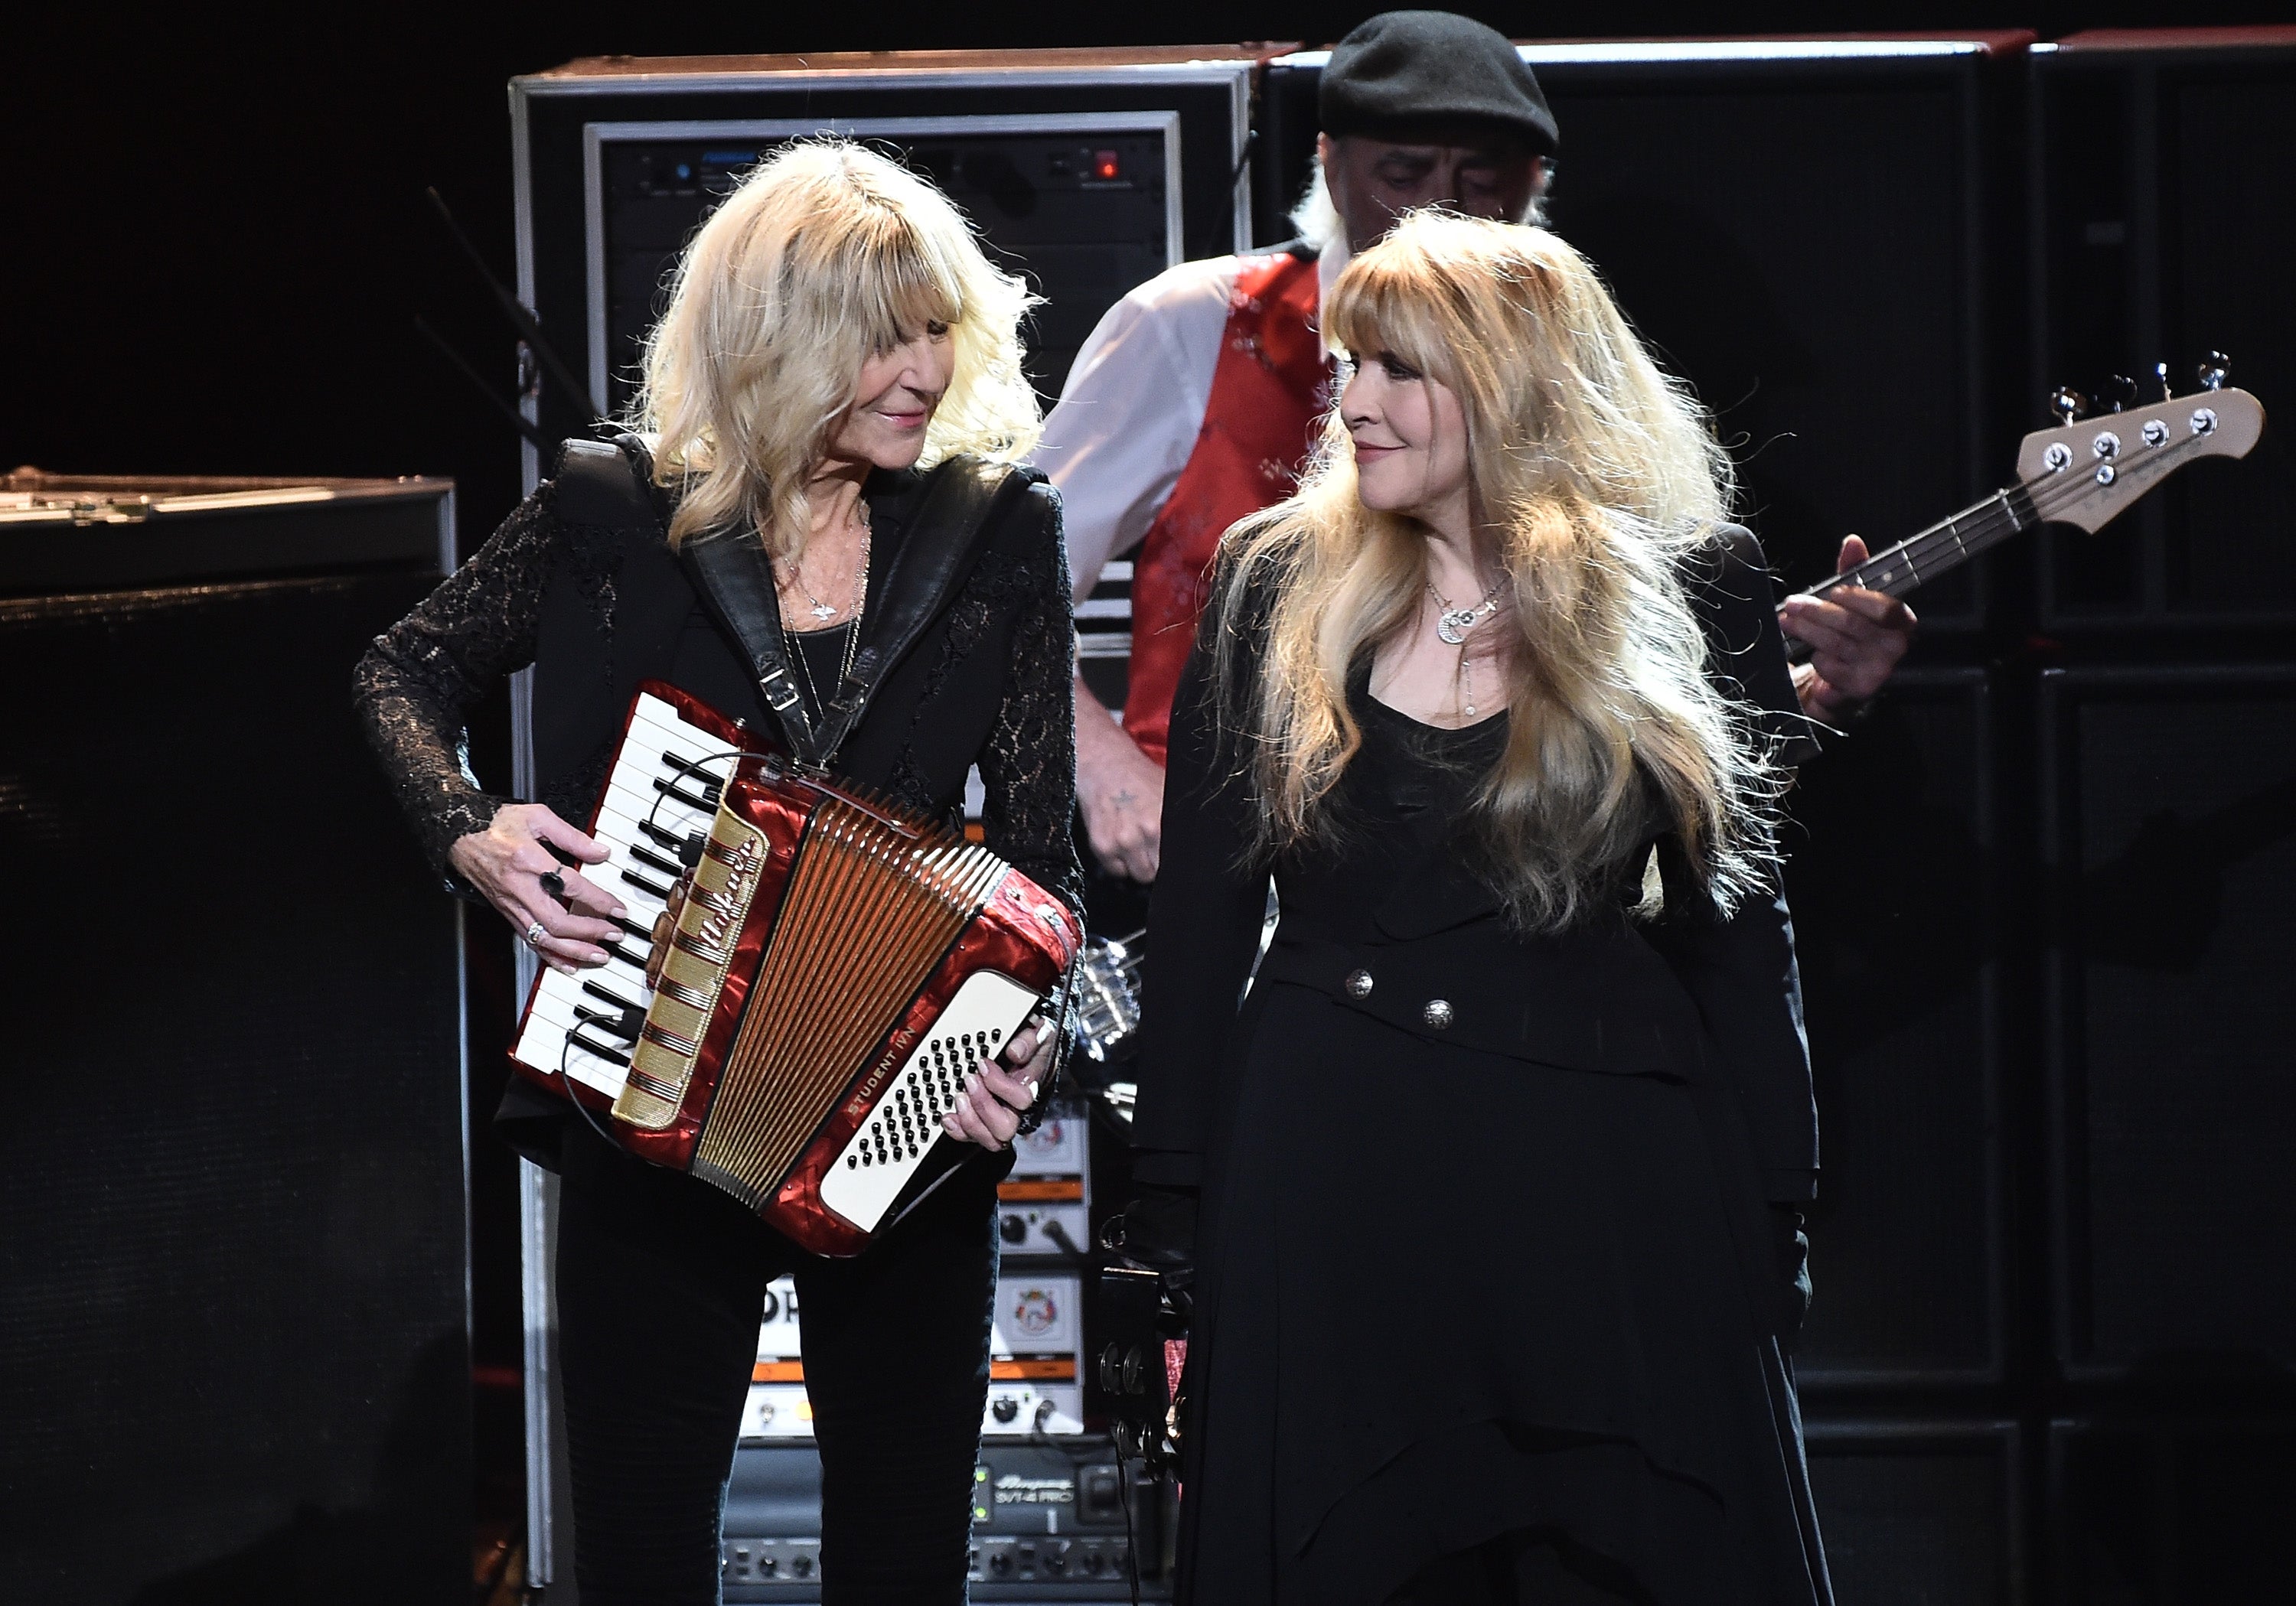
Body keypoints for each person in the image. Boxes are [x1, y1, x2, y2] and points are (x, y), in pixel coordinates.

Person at [354, 142, 1082, 1604]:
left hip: (906, 1127)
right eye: (884, 331)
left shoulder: (1001, 536)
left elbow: (1040, 860)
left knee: (903, 1559)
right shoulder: (609, 518)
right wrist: (474, 830)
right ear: (776, 335)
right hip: (644, 1109)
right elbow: (400, 668)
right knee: (640, 1557)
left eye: (938, 324)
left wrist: (1028, 1036)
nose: (925, 367)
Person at [1131, 211, 1834, 1604]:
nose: (1357, 404)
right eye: (1350, 365)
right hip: (1334, 1171)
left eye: (1401, 368)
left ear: (1511, 383)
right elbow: (1204, 921)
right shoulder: (1274, 577)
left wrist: (1780, 1192)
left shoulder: (1692, 586)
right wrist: (1174, 1200)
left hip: (1611, 1172)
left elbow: (1741, 925)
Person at [1035, 9, 1916, 885]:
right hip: (1212, 854)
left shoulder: (1569, 368)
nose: (1438, 206)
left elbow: (1660, 728)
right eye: (1404, 170)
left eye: (1480, 177)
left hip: (1488, 877)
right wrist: (1104, 770)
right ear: (1330, 164)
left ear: (1534, 186)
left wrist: (1819, 695)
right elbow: (996, 585)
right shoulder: (1196, 323)